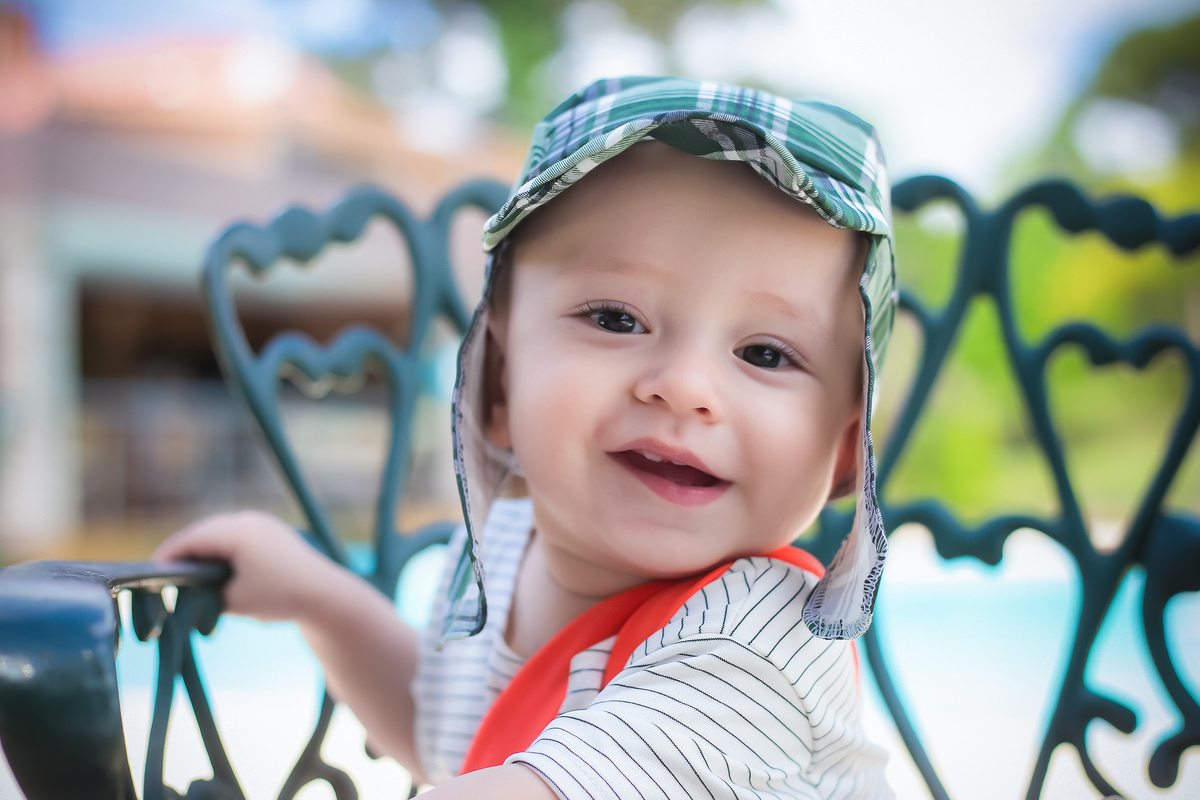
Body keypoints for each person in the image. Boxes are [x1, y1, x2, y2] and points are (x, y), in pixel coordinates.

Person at [156, 76, 897, 799]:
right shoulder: (498, 550)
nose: (684, 387)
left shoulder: (759, 647)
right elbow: (449, 747)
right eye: (615, 318)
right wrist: (323, 600)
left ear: (842, 452)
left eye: (766, 354)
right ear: (499, 379)